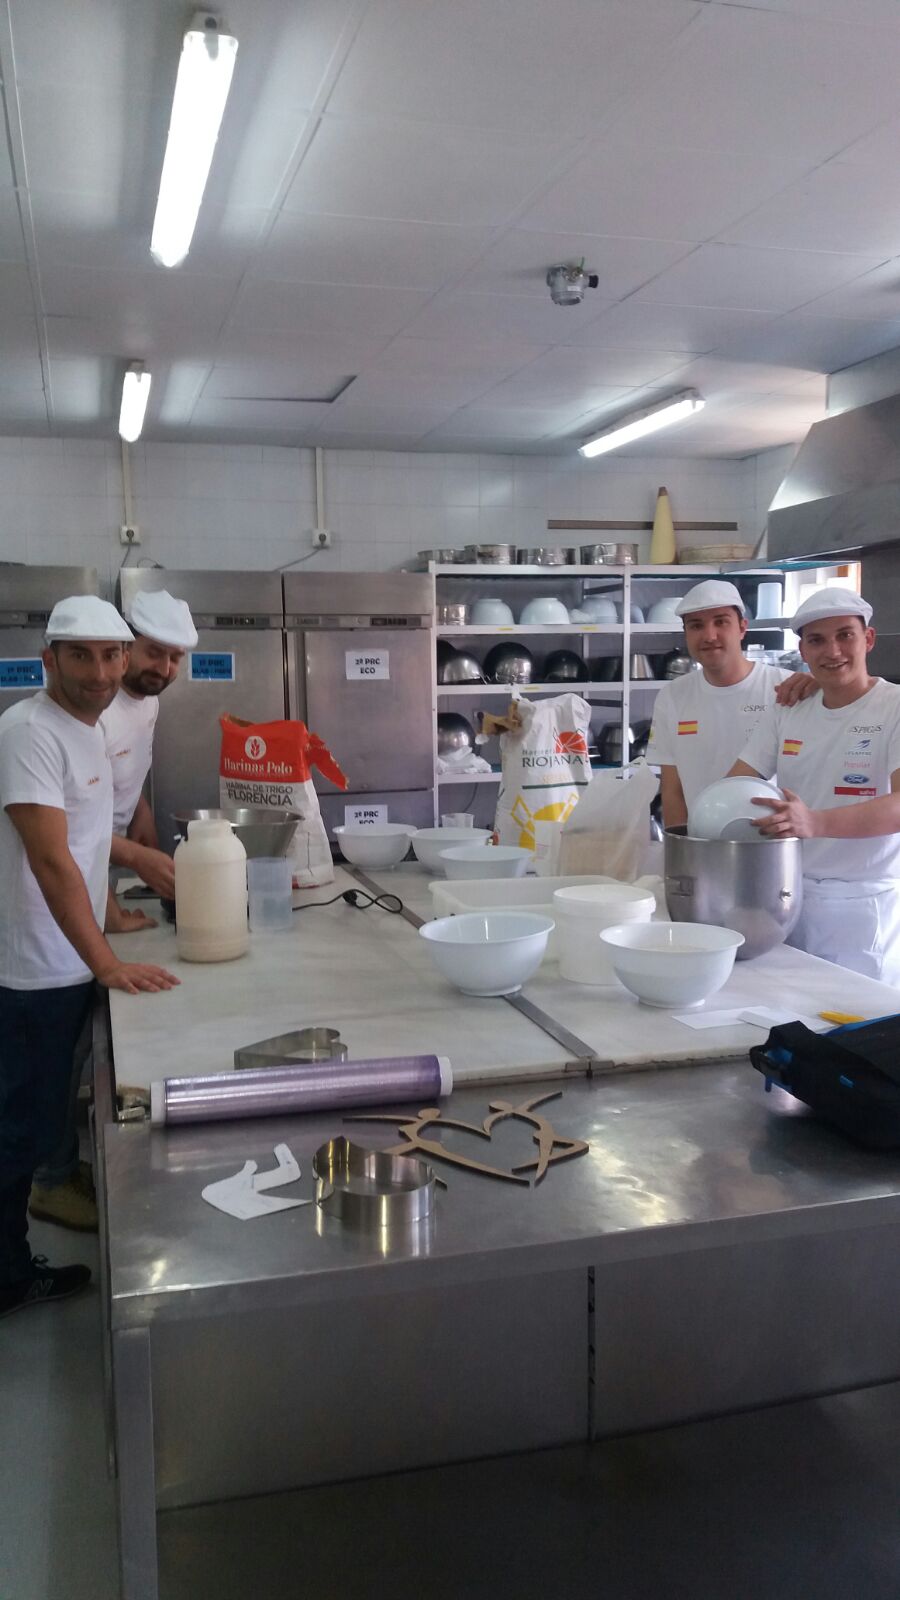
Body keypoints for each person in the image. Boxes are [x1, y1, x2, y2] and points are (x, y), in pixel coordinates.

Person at [0, 596, 178, 1320]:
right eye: (81, 656)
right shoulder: (27, 732)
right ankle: (7, 1276)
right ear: (49, 661)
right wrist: (105, 962)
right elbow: (50, 860)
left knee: (37, 1121)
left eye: (111, 655)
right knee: (16, 1131)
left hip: (64, 959)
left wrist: (112, 922)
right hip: (32, 970)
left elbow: (89, 843)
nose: (100, 672)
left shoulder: (89, 729)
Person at [731, 587, 900, 983]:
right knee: (792, 1020)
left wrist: (814, 822)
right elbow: (738, 782)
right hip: (787, 896)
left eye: (845, 635)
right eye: (817, 640)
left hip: (861, 905)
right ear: (802, 651)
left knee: (854, 1029)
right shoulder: (790, 707)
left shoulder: (893, 707)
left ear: (868, 639)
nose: (833, 651)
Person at [649, 581, 802, 828]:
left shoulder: (785, 689)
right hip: (703, 840)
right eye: (696, 626)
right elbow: (672, 790)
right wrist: (681, 851)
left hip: (772, 843)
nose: (710, 636)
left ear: (742, 628)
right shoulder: (673, 695)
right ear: (686, 633)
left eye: (721, 622)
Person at [104, 589, 198, 898]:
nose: (164, 668)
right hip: (60, 873)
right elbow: (65, 826)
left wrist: (139, 810)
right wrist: (135, 857)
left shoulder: (148, 703)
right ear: (124, 647)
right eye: (154, 653)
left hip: (103, 866)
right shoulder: (97, 709)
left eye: (175, 657)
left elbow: (123, 764)